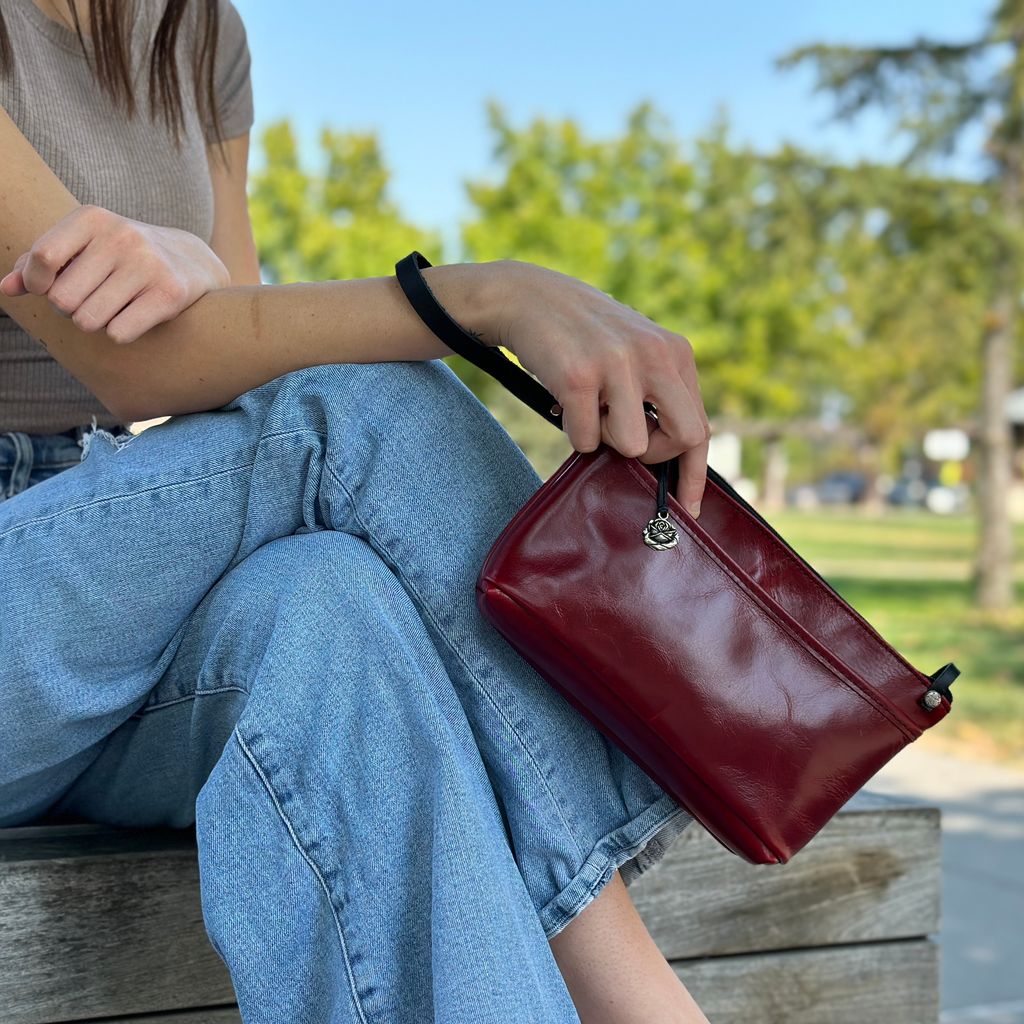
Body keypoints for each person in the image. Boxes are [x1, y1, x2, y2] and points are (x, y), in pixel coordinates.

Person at [0, 1, 713, 1021]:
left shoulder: (194, 30)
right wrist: (486, 297)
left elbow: (229, 356)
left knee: (330, 604)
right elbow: (135, 365)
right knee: (365, 400)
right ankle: (634, 990)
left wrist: (195, 264)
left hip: (102, 606)